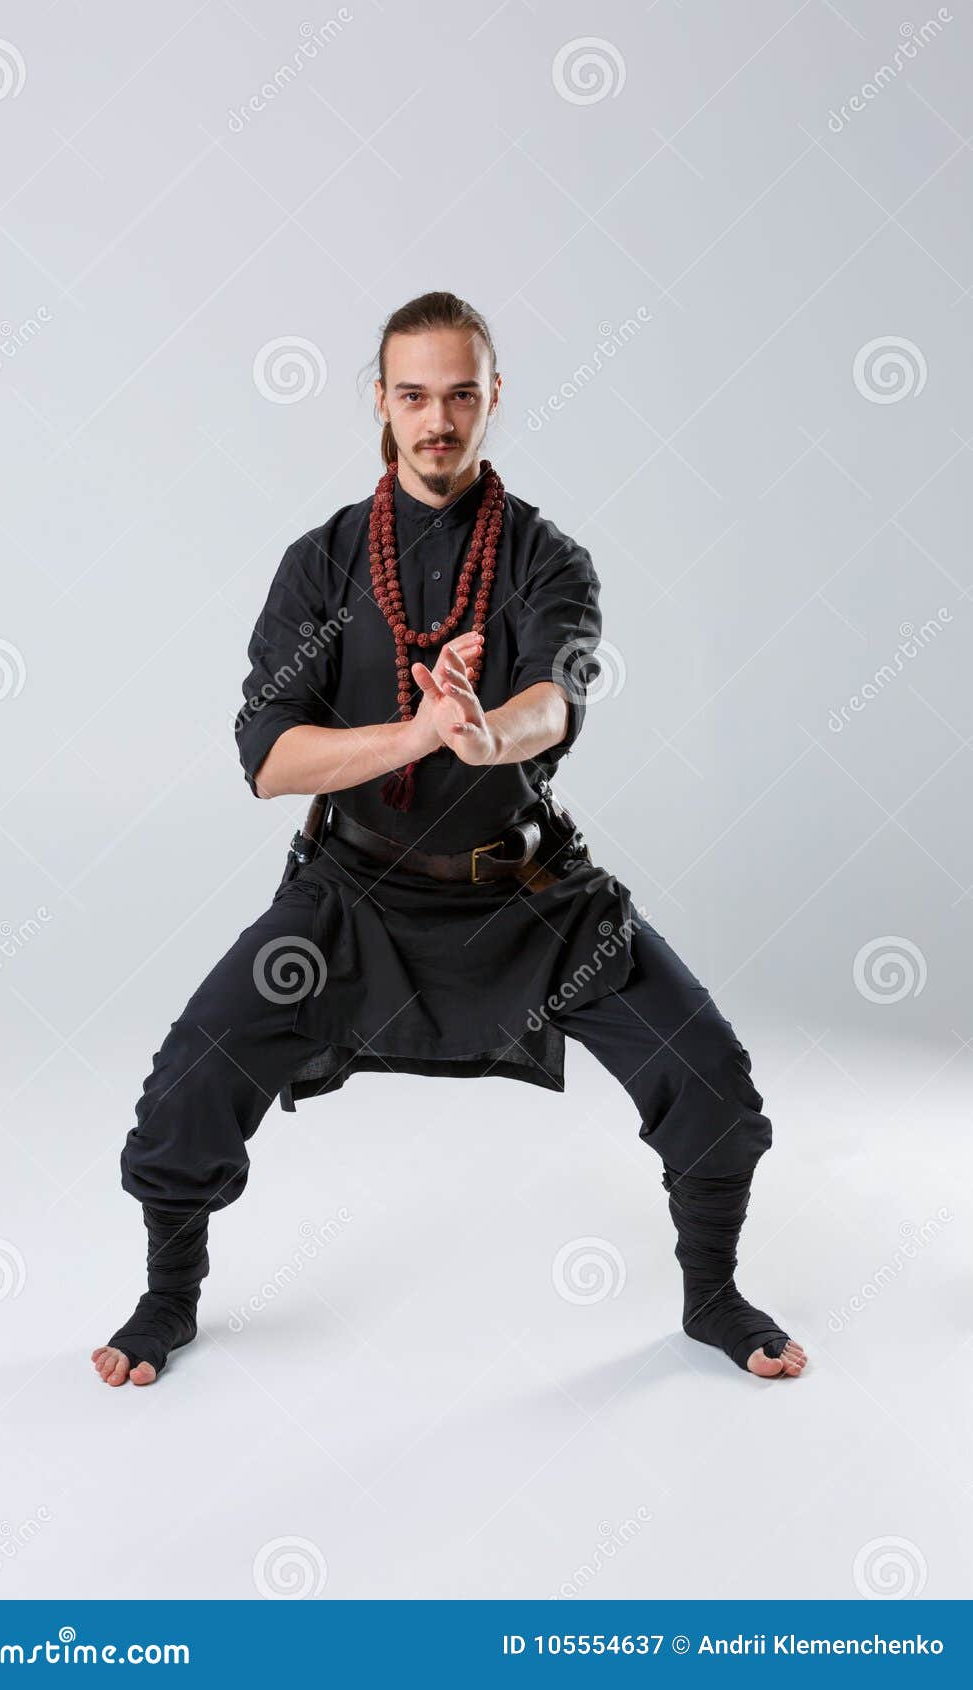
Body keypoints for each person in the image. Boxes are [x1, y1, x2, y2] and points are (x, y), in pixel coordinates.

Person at [92, 291, 805, 1389]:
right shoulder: (321, 562)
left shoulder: (544, 558)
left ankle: (710, 1294)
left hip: (531, 894)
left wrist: (481, 737)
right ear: (378, 400)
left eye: (460, 394)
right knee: (189, 1078)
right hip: (350, 899)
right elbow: (268, 758)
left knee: (710, 1077)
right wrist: (414, 732)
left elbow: (553, 706)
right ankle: (167, 1298)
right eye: (414, 394)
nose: (438, 419)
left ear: (492, 399)